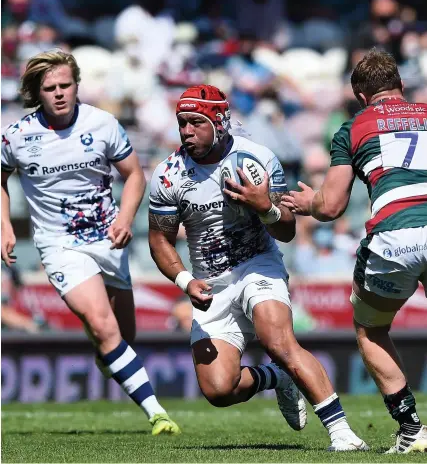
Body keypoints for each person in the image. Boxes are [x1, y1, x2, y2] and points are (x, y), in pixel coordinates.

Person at [148, 84, 368, 451]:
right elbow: (159, 239)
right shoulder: (168, 175)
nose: (186, 131)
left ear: (219, 122)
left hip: (258, 263)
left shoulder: (257, 158)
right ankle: (277, 379)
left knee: (278, 340)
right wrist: (185, 279)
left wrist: (264, 205)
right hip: (209, 281)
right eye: (181, 122)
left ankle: (342, 433)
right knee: (218, 390)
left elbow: (285, 231)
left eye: (195, 122)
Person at [1, 50, 180, 436]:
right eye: (50, 88)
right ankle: (158, 414)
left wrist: (125, 218)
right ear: (37, 91)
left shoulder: (103, 124)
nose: (59, 93)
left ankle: (111, 356)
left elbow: (134, 175)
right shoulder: (17, 136)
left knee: (121, 336)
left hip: (108, 239)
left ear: (77, 84)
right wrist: (5, 225)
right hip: (59, 244)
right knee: (103, 327)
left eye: (65, 85)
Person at [282, 48, 427, 454]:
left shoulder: (353, 128)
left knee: (372, 329)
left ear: (361, 96)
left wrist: (307, 201)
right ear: (401, 84)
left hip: (395, 238)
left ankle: (412, 430)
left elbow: (329, 207)